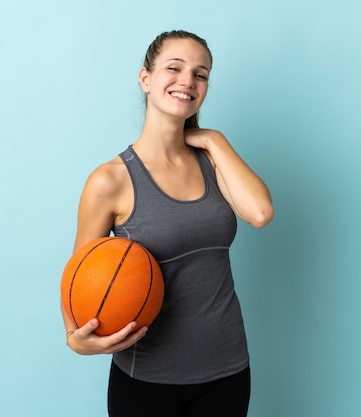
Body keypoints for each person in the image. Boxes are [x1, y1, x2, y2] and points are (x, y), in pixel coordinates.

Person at [62, 30, 274, 417]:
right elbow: (79, 277)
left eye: (201, 74)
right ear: (146, 78)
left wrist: (214, 140)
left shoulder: (213, 161)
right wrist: (75, 340)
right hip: (147, 380)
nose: (187, 81)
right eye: (174, 68)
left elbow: (260, 213)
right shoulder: (110, 180)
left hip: (228, 369)